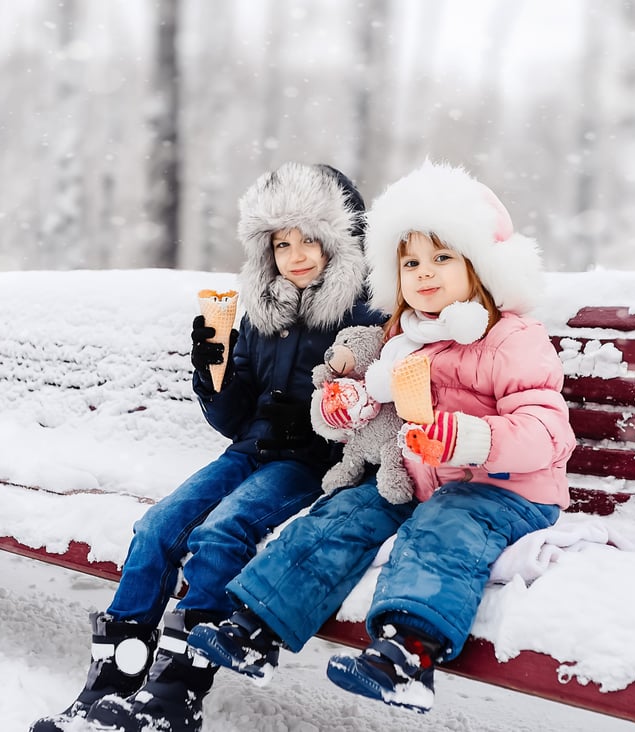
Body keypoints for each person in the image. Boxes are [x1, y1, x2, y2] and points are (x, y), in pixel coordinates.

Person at [188, 160, 576, 713]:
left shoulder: (511, 339)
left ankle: (409, 655)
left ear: (481, 267)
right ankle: (257, 627)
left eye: (443, 257)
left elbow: (546, 433)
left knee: (444, 526)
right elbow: (374, 391)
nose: (424, 272)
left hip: (505, 489)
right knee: (341, 515)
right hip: (416, 474)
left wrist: (468, 438)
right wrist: (348, 403)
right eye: (411, 261)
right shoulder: (403, 335)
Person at [30, 162, 384, 732]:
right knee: (158, 529)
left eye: (309, 239)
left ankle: (175, 693)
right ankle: (114, 684)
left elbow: (369, 406)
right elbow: (232, 419)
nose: (294, 254)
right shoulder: (263, 308)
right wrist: (214, 372)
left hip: (310, 461)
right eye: (281, 243)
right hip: (249, 449)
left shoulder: (366, 311)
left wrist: (328, 407)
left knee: (221, 532)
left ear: (341, 239)